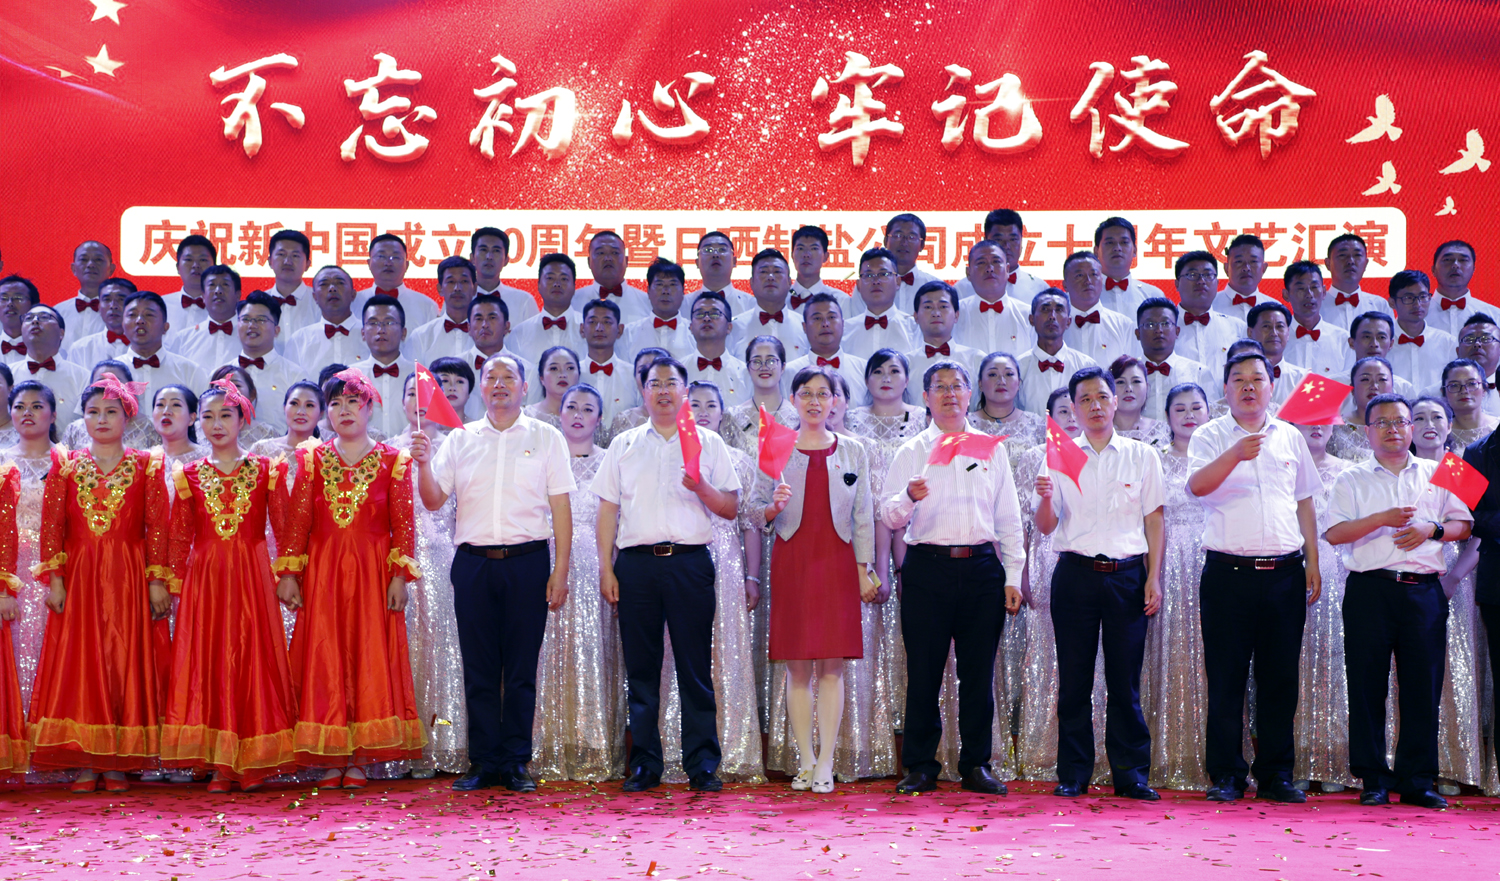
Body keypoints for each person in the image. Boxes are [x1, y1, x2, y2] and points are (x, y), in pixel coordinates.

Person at [412, 353, 573, 791]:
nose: (499, 383)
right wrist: (423, 463)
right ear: (481, 388)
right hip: (473, 565)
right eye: (491, 377)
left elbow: (561, 507)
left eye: (509, 377)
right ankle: (483, 761)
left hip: (528, 562)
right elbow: (432, 500)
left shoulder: (546, 437)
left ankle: (516, 761)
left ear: (525, 387)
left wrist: (560, 570)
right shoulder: (459, 439)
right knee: (479, 667)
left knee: (521, 669)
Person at [592, 356, 742, 793]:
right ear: (643, 392)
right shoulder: (624, 444)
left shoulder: (707, 443)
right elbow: (607, 510)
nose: (662, 390)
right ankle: (644, 764)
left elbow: (730, 507)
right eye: (654, 383)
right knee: (641, 670)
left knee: (695, 668)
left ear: (684, 392)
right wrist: (606, 568)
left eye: (670, 383)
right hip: (635, 565)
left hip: (689, 563)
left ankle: (702, 764)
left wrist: (701, 488)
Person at [275, 368, 425, 789]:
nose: (344, 410)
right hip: (323, 573)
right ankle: (330, 754)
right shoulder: (312, 459)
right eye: (335, 403)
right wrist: (289, 573)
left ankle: (360, 756)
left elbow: (403, 525)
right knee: (325, 657)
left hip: (372, 575)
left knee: (368, 656)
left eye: (353, 403)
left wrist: (399, 577)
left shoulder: (395, 461)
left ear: (370, 408)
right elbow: (298, 522)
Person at [881, 361, 1025, 794]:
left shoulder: (990, 448)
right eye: (939, 387)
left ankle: (976, 764)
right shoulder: (911, 451)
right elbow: (888, 515)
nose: (948, 394)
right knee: (923, 672)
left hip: (981, 569)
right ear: (925, 397)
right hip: (927, 568)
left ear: (969, 394)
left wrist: (1013, 575)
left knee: (979, 674)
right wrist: (908, 496)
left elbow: (1008, 517)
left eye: (956, 386)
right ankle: (920, 765)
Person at [1187, 351, 1322, 803]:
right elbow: (1197, 486)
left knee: (1280, 679)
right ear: (1225, 389)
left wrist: (1313, 561)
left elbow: (1305, 501)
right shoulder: (1209, 435)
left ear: (1271, 387)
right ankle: (1226, 774)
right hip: (1228, 574)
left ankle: (1276, 774)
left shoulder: (1290, 437)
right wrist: (1235, 454)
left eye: (1257, 379)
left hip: (1285, 573)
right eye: (1239, 379)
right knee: (1225, 678)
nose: (1249, 386)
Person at [1325, 393, 1472, 809]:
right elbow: (1334, 534)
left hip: (1423, 591)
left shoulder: (1442, 469)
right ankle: (1373, 778)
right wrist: (1381, 520)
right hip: (1370, 589)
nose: (1393, 429)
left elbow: (1465, 524)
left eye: (1401, 422)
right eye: (1383, 423)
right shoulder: (1350, 478)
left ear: (1412, 428)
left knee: (1423, 687)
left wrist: (1432, 529)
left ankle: (1417, 780)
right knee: (1366, 685)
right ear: (1367, 431)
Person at [28, 373, 171, 792]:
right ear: (82, 418)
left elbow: (157, 527)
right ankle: (88, 759)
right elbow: (52, 527)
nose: (102, 419)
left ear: (128, 417)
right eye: (93, 412)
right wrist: (56, 580)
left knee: (121, 658)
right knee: (82, 661)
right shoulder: (66, 464)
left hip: (128, 575)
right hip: (81, 575)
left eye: (111, 411)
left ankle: (117, 760)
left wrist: (156, 581)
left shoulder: (146, 465)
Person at [160, 379, 297, 792]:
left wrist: (288, 575)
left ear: (243, 419)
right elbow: (179, 535)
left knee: (252, 658)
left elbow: (285, 528)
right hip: (206, 579)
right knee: (209, 659)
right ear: (197, 422)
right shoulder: (188, 474)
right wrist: (170, 584)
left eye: (226, 415)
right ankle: (217, 762)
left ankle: (253, 760)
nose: (216, 424)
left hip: (252, 575)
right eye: (208, 416)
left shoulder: (266, 470)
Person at [1034, 366, 1164, 800]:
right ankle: (1073, 773)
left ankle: (1131, 775)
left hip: (1127, 576)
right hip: (1075, 575)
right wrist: (1046, 497)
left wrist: (1154, 577)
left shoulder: (1141, 456)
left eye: (1102, 397)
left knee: (1125, 682)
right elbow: (1046, 525)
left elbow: (1154, 520)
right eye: (1085, 399)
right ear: (1072, 409)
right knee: (1074, 680)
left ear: (1116, 401)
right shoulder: (1058, 454)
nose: (1094, 406)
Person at [756, 367, 877, 793]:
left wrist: (865, 570)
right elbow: (753, 509)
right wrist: (771, 508)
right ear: (792, 400)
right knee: (797, 666)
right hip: (793, 559)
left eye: (823, 393)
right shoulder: (775, 446)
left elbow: (864, 515)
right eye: (805, 393)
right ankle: (805, 760)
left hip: (838, 561)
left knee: (831, 665)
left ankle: (826, 761)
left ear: (835, 401)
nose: (814, 401)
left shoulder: (854, 450)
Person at [656, 381, 764, 783]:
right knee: (679, 652)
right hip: (683, 560)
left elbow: (750, 522)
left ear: (722, 413)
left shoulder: (739, 459)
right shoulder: (670, 453)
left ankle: (733, 750)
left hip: (727, 561)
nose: (702, 412)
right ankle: (674, 750)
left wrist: (752, 575)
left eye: (710, 405)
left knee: (726, 650)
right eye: (695, 404)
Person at [529, 384, 625, 781]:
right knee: (544, 656)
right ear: (560, 414)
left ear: (599, 419)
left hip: (598, 567)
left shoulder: (610, 461)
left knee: (595, 656)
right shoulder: (543, 458)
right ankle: (546, 748)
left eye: (588, 408)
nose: (579, 415)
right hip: (550, 564)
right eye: (572, 407)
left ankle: (593, 749)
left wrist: (610, 568)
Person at [386, 363, 472, 778]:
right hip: (395, 564)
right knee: (399, 649)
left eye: (426, 395)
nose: (418, 402)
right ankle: (397, 745)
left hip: (443, 561)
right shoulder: (385, 450)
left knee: (443, 650)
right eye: (411, 394)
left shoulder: (459, 446)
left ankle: (445, 741)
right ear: (401, 402)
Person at [1017, 388, 1104, 782]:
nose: (1071, 418)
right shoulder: (1040, 458)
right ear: (1049, 419)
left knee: (1102, 668)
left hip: (1098, 562)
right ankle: (1051, 753)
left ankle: (1108, 757)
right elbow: (1033, 522)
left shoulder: (1109, 454)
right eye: (1062, 412)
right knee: (1054, 662)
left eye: (1075, 409)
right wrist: (1022, 571)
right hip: (1049, 560)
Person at [845, 350, 925, 740]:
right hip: (867, 527)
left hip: (918, 526)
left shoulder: (924, 419)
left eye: (895, 370)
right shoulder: (852, 420)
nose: (887, 377)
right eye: (877, 371)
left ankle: (910, 716)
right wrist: (878, 560)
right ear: (866, 380)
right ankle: (872, 722)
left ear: (908, 379)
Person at [1413, 396, 1484, 794]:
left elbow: (1480, 534)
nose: (1428, 424)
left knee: (1452, 673)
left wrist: (1454, 577)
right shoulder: (1401, 467)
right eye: (1419, 417)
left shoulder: (1462, 470)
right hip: (1411, 579)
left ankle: (1452, 766)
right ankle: (1404, 763)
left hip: (1455, 577)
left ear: (1449, 424)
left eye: (1436, 416)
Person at [1145, 383, 1212, 791]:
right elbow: (1150, 518)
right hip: (1168, 564)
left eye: (1196, 408)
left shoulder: (1221, 457)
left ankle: (1213, 757)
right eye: (1180, 408)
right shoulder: (1155, 460)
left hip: (1213, 560)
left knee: (1213, 658)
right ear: (1167, 417)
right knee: (1167, 655)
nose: (1189, 415)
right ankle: (1165, 754)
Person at [1287, 419, 1356, 792]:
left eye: (1324, 420)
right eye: (1307, 421)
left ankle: (1335, 761)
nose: (1316, 426)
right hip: (1291, 569)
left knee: (1337, 665)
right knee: (1293, 665)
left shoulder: (1349, 470)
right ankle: (1297, 759)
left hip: (1341, 573)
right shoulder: (1283, 466)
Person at [0, 381, 58, 728]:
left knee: (54, 651)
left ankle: (47, 734)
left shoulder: (69, 461)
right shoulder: (1, 461)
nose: (28, 413)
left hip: (56, 570)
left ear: (53, 414)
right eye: (20, 406)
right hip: (9, 568)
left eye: (37, 406)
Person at [121, 292, 209, 418]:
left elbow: (204, 418)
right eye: (132, 315)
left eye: (149, 315)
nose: (140, 320)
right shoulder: (109, 373)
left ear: (165, 327)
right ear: (123, 326)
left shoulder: (190, 371)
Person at [233, 293, 305, 435]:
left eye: (261, 320)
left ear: (276, 331)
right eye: (246, 319)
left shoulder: (295, 376)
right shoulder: (221, 375)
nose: (252, 325)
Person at [1136, 298, 1215, 421]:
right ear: (1137, 333)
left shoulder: (1199, 372)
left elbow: (1213, 418)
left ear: (1177, 331)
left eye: (1165, 323)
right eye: (1150, 324)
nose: (1158, 330)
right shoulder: (1125, 374)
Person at [1016, 289, 1093, 414]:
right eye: (1045, 309)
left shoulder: (1086, 366)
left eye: (1059, 310)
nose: (1052, 316)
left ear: (1068, 321)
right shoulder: (1017, 369)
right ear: (1031, 319)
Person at [10, 305, 87, 427]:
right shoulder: (7, 376)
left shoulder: (83, 377)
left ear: (61, 333)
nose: (35, 321)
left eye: (44, 317)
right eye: (28, 318)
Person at [952, 241, 1034, 357]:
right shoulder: (953, 315)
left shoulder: (1028, 315)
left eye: (996, 262)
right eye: (981, 263)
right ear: (968, 273)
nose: (989, 269)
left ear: (1007, 270)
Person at [720, 336, 798, 458]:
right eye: (756, 361)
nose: (764, 367)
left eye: (771, 361)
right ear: (748, 368)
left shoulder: (799, 417)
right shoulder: (732, 418)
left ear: (783, 367)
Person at [351, 295, 416, 439]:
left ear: (403, 333)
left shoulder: (419, 375)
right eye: (373, 323)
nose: (381, 330)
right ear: (363, 333)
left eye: (389, 322)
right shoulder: (349, 377)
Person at [60, 361, 158, 455]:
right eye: (101, 381)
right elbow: (63, 462)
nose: (107, 386)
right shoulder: (75, 429)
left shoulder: (148, 426)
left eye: (115, 382)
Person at [952, 209, 1050, 302]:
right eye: (998, 240)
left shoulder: (1039, 288)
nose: (1006, 246)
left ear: (1021, 241)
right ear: (985, 240)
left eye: (1013, 239)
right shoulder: (961, 289)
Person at [728, 248, 808, 362]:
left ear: (789, 282)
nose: (770, 277)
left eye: (777, 272)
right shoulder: (734, 328)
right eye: (763, 272)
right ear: (751, 282)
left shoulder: (805, 327)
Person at [1061, 252, 1138, 369]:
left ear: (1102, 280)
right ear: (1065, 285)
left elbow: (1133, 372)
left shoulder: (1123, 325)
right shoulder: (1054, 326)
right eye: (1079, 275)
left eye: (1094, 274)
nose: (1088, 281)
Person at [286, 266, 370, 370]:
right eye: (324, 284)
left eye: (340, 283)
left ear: (353, 294)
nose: (332, 288)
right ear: (315, 297)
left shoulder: (372, 335)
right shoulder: (299, 340)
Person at [787, 293, 868, 400]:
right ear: (804, 327)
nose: (825, 324)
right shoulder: (789, 372)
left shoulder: (864, 370)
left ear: (843, 323)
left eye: (831, 317)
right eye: (817, 318)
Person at [842, 248, 919, 360]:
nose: (876, 281)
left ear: (897, 282)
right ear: (858, 285)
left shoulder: (914, 328)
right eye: (869, 275)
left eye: (883, 274)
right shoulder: (844, 331)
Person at [1173, 251, 1246, 369]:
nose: (1201, 281)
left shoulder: (1238, 328)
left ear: (1217, 283)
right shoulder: (1162, 329)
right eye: (1192, 275)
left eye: (1208, 275)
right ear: (1177, 284)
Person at [1386, 270, 1456, 390]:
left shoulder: (1448, 343)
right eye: (1409, 298)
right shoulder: (1382, 343)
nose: (1417, 304)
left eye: (1423, 297)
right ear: (1392, 302)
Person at [575, 299, 639, 430]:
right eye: (593, 322)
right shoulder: (572, 374)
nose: (599, 328)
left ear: (620, 330)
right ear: (582, 329)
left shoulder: (634, 375)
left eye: (607, 322)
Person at [1281, 261, 1349, 380]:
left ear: (1324, 292)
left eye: (1314, 287)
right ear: (1286, 294)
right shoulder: (1277, 340)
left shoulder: (1343, 340)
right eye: (1301, 288)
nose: (1309, 294)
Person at [355, 234, 440, 329]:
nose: (388, 263)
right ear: (369, 263)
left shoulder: (427, 306)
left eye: (395, 257)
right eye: (381, 256)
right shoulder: (352, 303)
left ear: (406, 265)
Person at [682, 291, 752, 407]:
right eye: (700, 314)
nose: (706, 318)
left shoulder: (746, 374)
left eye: (714, 314)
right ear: (691, 327)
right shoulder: (678, 373)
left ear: (729, 327)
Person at [407, 256, 481, 363]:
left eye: (464, 281)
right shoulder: (421, 336)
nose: (457, 288)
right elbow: (412, 373)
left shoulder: (486, 335)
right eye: (451, 282)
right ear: (440, 289)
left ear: (474, 288)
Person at [619, 259, 694, 361]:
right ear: (648, 291)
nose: (666, 291)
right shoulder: (629, 333)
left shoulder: (695, 334)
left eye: (672, 285)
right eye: (659, 285)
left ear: (683, 291)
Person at [906, 282, 983, 382]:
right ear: (916, 317)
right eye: (928, 307)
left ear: (956, 315)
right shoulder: (905, 364)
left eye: (943, 307)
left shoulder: (976, 360)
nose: (936, 313)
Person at [571, 231, 651, 323]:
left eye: (615, 253)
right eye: (601, 253)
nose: (608, 258)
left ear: (626, 260)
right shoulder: (572, 302)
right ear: (589, 262)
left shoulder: (648, 303)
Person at [169, 264, 241, 367]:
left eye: (225, 284)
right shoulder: (183, 339)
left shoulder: (253, 337)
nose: (218, 291)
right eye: (212, 285)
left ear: (238, 295)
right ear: (203, 296)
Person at [1330, 357, 1398, 462]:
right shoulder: (1335, 428)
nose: (1374, 386)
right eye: (1365, 380)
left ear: (1392, 387)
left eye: (1382, 379)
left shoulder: (1402, 426)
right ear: (1352, 389)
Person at [1094, 217, 1165, 318]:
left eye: (1124, 242)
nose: (1117, 248)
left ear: (1135, 250)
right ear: (1096, 251)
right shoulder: (1081, 296)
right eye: (1110, 243)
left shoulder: (1153, 295)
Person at [469, 227, 540, 325]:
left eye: (496, 251)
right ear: (472, 257)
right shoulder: (457, 299)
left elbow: (535, 334)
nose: (489, 256)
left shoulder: (524, 301)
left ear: (506, 260)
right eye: (483, 250)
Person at [1321, 234, 1392, 330]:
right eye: (1342, 255)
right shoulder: (1316, 306)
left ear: (1366, 263)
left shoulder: (1380, 305)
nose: (1350, 261)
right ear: (1328, 263)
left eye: (1357, 255)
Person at [971, 352, 1046, 444]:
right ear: (980, 384)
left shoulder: (1036, 424)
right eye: (993, 375)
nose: (1001, 381)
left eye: (1009, 374)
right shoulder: (965, 424)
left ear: (1018, 383)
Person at [67, 277, 136, 370]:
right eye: (107, 299)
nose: (113, 306)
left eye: (121, 299)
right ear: (99, 307)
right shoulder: (80, 349)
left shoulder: (149, 346)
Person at [605, 347, 671, 443]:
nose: (649, 376)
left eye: (657, 369)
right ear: (635, 376)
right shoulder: (623, 420)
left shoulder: (685, 417)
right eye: (642, 371)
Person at [1211, 235, 1277, 322]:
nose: (1246, 268)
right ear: (1226, 268)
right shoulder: (1209, 306)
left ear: (1264, 268)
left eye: (1253, 261)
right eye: (1239, 261)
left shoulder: (1276, 309)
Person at [264, 229, 320, 331]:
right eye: (281, 254)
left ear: (307, 264)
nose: (288, 262)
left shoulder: (320, 303)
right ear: (270, 261)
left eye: (295, 256)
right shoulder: (258, 304)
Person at [1109, 356, 1170, 446]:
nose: (1129, 389)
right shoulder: (1097, 430)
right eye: (1120, 382)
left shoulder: (1164, 431)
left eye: (1136, 381)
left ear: (1147, 388)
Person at [691, 231, 755, 316]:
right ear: (697, 262)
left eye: (722, 249)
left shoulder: (752, 305)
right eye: (708, 250)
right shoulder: (681, 305)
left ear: (734, 261)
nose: (715, 255)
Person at [61, 241, 115, 340]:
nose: (90, 265)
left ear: (111, 269)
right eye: (84, 259)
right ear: (73, 269)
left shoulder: (123, 313)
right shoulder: (58, 312)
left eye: (98, 260)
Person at [885, 214, 940, 311]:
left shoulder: (936, 287)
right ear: (886, 241)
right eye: (898, 235)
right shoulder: (870, 285)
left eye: (911, 237)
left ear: (922, 245)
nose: (904, 243)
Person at [1426, 240, 1481, 338]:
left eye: (1463, 260)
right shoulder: (1415, 316)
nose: (1455, 265)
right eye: (1447, 260)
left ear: (1473, 269)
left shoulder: (1494, 316)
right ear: (1433, 269)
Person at [164, 235, 218, 330]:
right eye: (189, 260)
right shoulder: (160, 306)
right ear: (178, 267)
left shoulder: (226, 309)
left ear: (214, 267)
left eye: (203, 260)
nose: (196, 265)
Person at [1440, 359, 1498, 448]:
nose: (1464, 391)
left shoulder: (1497, 426)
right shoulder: (1440, 433)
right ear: (1444, 393)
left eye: (1471, 383)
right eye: (1454, 385)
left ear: (1484, 389)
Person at [789, 225, 847, 312]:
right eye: (800, 248)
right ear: (792, 255)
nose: (806, 254)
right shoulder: (779, 298)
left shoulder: (841, 300)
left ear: (825, 256)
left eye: (814, 248)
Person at [523, 346, 582, 431]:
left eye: (570, 368)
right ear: (542, 378)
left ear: (579, 375)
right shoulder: (526, 417)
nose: (562, 375)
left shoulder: (591, 417)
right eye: (554, 369)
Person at [0, 275, 41, 360]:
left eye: (18, 298)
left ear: (33, 306)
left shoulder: (49, 349)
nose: (10, 303)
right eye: (3, 298)